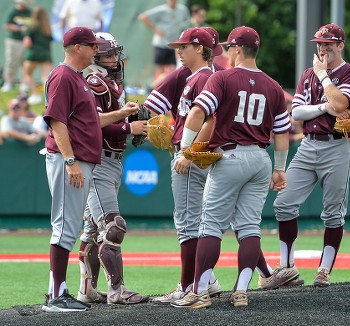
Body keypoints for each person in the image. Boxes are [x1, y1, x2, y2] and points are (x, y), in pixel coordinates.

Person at [171, 26, 291, 309]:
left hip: (231, 156)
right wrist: (280, 168)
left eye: (228, 47)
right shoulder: (273, 86)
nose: (224, 52)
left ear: (237, 49)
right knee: (250, 227)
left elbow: (198, 112)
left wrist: (186, 149)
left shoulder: (223, 77)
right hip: (260, 159)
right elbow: (283, 132)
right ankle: (241, 291)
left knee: (210, 226)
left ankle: (198, 292)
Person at [41, 26, 139, 313]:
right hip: (68, 158)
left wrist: (123, 116)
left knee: (71, 228)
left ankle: (57, 292)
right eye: (91, 45)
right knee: (64, 228)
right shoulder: (63, 76)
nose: (96, 50)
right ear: (76, 48)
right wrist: (70, 161)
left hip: (82, 158)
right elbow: (56, 121)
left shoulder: (76, 78)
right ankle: (57, 296)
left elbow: (91, 121)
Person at [272, 24, 350, 288]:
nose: (323, 48)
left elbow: (340, 104)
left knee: (333, 213)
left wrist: (324, 77)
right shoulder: (307, 74)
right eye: (320, 44)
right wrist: (324, 106)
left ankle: (324, 270)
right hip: (309, 144)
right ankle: (287, 267)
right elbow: (297, 113)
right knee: (284, 203)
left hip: (337, 146)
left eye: (329, 43)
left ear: (340, 45)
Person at [146, 27, 223, 305]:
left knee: (189, 224)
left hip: (191, 157)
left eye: (184, 47)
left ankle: (188, 286)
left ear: (201, 49)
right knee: (194, 222)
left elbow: (211, 121)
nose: (178, 51)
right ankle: (207, 281)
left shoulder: (204, 77)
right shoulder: (196, 76)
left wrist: (189, 153)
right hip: (191, 155)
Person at [76, 32, 147, 305]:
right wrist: (129, 127)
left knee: (92, 231)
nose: (115, 59)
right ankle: (117, 291)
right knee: (113, 227)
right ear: (95, 57)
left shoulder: (111, 84)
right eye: (108, 54)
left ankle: (87, 290)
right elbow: (93, 123)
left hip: (111, 160)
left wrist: (134, 119)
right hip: (99, 161)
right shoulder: (95, 83)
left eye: (115, 53)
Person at [138, 0, 190, 88]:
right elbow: (142, 17)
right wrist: (155, 30)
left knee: (174, 69)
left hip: (174, 45)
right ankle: (156, 89)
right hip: (161, 43)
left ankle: (163, 88)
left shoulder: (182, 10)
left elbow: (188, 22)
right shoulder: (161, 10)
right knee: (160, 70)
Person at [22, 6, 54, 105]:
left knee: (27, 73)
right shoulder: (48, 28)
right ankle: (50, 98)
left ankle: (35, 95)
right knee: (46, 78)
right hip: (46, 54)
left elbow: (27, 43)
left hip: (34, 53)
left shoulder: (31, 27)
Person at [1, 0, 32, 92]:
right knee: (11, 62)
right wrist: (20, 29)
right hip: (13, 41)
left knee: (25, 63)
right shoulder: (13, 12)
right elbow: (7, 25)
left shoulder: (30, 12)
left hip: (26, 41)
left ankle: (24, 83)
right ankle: (8, 82)